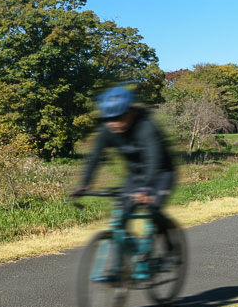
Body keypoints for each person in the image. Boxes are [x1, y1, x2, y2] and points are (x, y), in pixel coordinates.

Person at [71, 85, 176, 278]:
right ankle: (118, 268)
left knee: (153, 208)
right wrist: (84, 184)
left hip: (161, 173)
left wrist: (146, 189)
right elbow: (95, 157)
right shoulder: (108, 130)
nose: (113, 123)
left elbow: (153, 159)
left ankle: (169, 251)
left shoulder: (146, 127)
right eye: (108, 118)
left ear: (131, 112)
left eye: (118, 117)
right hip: (136, 176)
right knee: (121, 216)